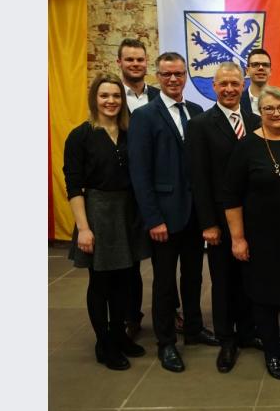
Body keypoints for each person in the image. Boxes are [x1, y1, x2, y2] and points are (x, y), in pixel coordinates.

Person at [128, 52, 219, 373]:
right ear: (158, 76)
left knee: (194, 276)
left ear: (185, 75)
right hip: (164, 217)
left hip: (194, 214)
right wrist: (153, 218)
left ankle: (193, 328)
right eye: (166, 74)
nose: (173, 79)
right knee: (164, 282)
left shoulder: (195, 111)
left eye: (179, 74)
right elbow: (140, 173)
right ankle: (166, 342)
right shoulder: (145, 116)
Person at [223, 86, 280, 380]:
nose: (276, 113)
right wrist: (238, 238)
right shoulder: (246, 146)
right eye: (268, 108)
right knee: (264, 297)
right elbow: (231, 196)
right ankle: (273, 352)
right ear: (259, 112)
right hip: (261, 237)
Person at [63, 73, 149, 370]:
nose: (110, 101)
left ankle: (119, 335)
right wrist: (84, 228)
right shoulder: (81, 135)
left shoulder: (130, 132)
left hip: (128, 210)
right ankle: (104, 343)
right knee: (101, 282)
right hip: (97, 212)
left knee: (126, 280)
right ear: (95, 99)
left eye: (115, 96)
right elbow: (73, 186)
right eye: (104, 96)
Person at [186, 62, 262, 373]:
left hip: (254, 217)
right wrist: (208, 224)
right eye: (223, 84)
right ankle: (226, 338)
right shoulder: (201, 125)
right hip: (219, 217)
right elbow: (199, 178)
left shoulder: (256, 120)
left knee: (248, 277)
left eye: (235, 83)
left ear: (243, 84)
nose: (230, 89)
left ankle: (246, 331)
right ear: (213, 87)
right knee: (222, 280)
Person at [115, 38, 168, 339]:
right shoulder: (111, 97)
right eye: (129, 60)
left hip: (153, 190)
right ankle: (130, 316)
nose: (135, 64)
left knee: (162, 260)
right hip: (122, 189)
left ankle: (168, 312)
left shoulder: (158, 97)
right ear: (119, 63)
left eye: (140, 59)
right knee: (129, 259)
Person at [241, 49, 280, 129]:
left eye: (265, 65)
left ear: (270, 71)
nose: (261, 68)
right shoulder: (238, 101)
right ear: (247, 71)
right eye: (255, 64)